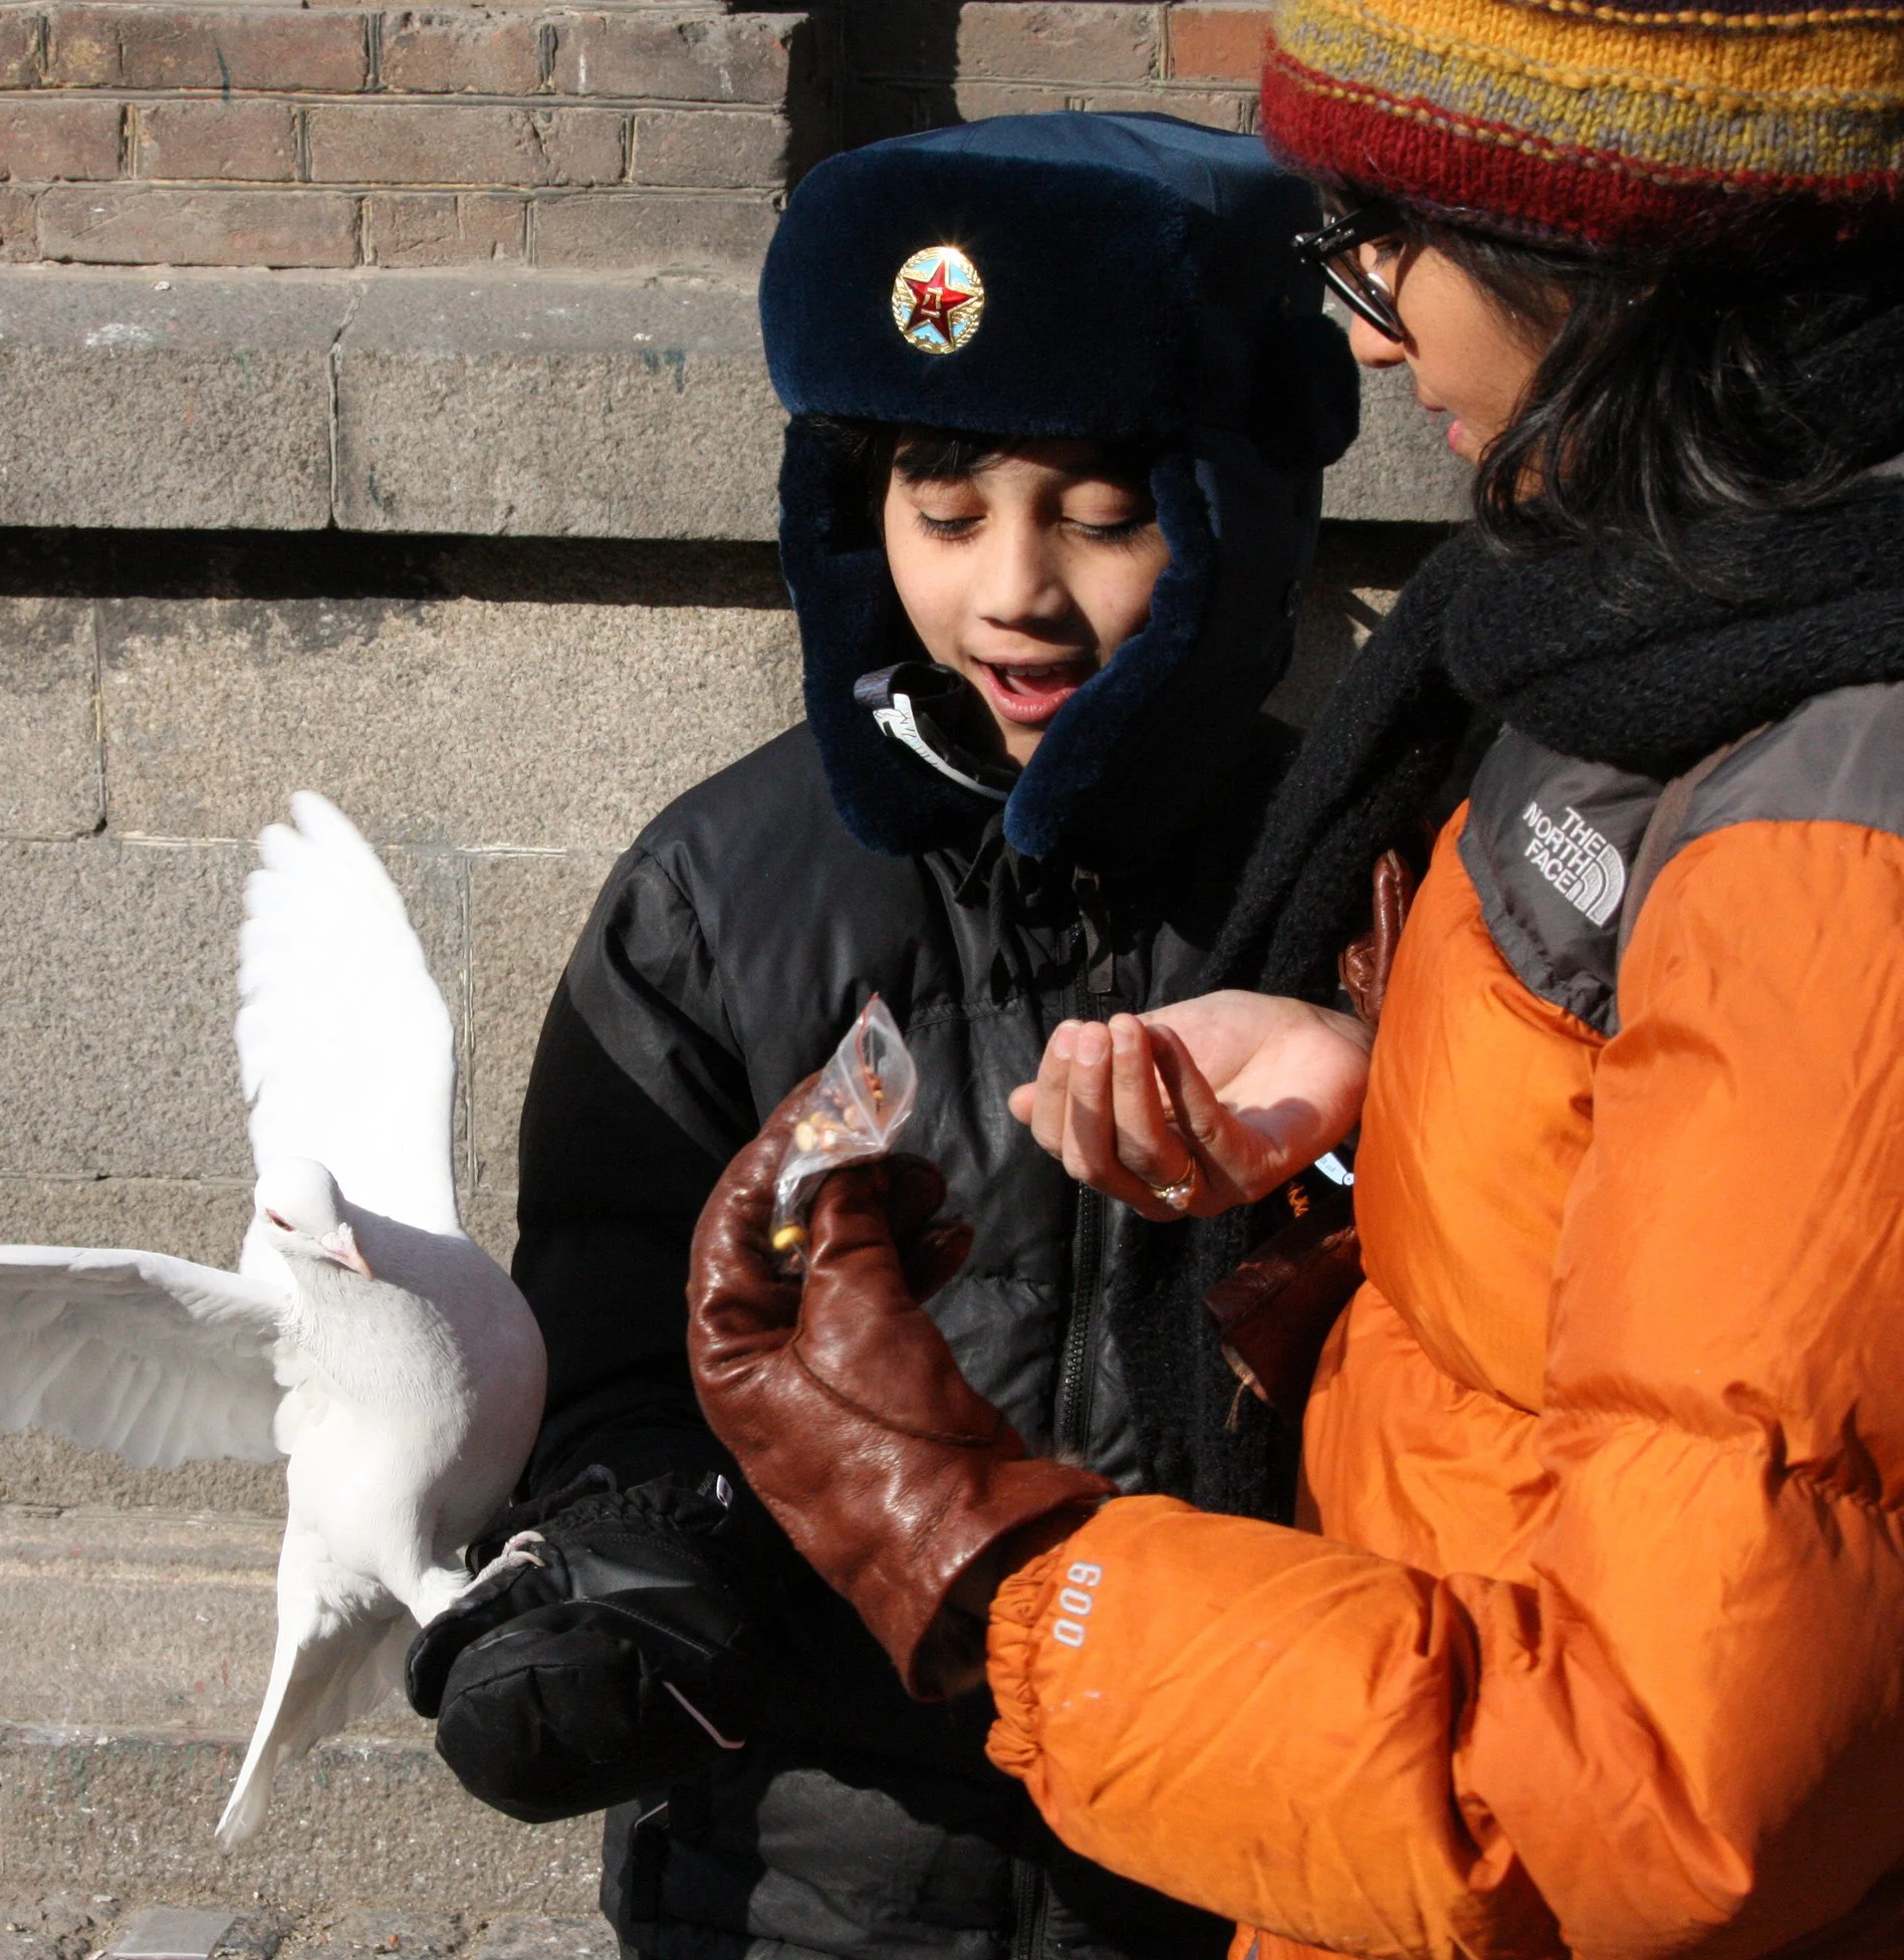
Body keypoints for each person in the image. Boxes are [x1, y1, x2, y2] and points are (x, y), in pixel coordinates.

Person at [680, 5, 1904, 1958]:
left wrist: (984, 1561)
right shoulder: (1638, 614)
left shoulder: (1821, 812)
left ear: (1588, 240)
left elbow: (1659, 1791)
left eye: (1379, 237)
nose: (1357, 324)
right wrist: (1380, 1080)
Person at [402, 114, 1356, 1960]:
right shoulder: (714, 894)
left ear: (1239, 516)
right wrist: (625, 1583)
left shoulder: (1353, 880)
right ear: (857, 515)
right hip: (812, 1865)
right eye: (946, 510)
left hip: (1244, 1830)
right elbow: (607, 1324)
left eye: (1100, 514)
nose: (1012, 589)